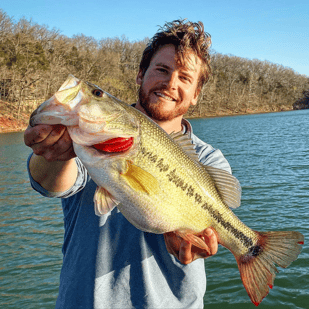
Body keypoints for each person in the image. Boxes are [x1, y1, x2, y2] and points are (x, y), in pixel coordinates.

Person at [24, 20, 232, 309]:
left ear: (196, 94)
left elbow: (197, 229)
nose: (171, 83)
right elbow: (49, 183)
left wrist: (183, 241)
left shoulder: (208, 160)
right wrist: (52, 152)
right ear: (140, 75)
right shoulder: (92, 138)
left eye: (185, 77)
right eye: (162, 69)